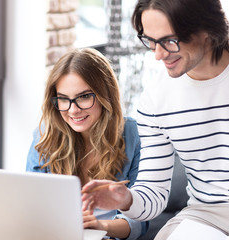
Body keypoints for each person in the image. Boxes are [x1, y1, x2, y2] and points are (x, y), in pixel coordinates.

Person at [81, 0, 229, 239]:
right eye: (150, 41)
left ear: (207, 28)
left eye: (169, 41)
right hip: (204, 215)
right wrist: (126, 199)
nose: (158, 55)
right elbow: (153, 195)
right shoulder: (156, 97)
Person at [26, 48, 149, 240]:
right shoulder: (45, 136)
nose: (73, 110)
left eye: (84, 97)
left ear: (104, 95)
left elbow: (140, 222)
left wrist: (100, 226)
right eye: (64, 99)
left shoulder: (133, 135)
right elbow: (32, 206)